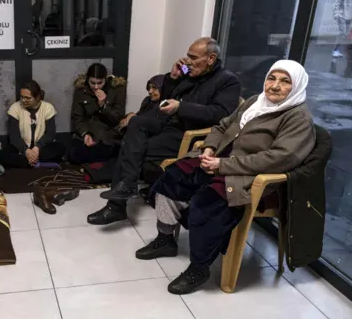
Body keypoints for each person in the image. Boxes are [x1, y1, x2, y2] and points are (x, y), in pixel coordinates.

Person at [136, 60, 316, 295]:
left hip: (245, 174)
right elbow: (222, 126)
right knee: (172, 176)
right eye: (272, 78)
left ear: (297, 86)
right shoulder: (255, 102)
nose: (274, 86)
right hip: (218, 160)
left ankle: (199, 267)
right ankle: (166, 238)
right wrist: (210, 148)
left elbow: (278, 159)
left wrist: (223, 164)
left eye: (285, 82)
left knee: (206, 204)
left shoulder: (297, 118)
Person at [88, 37, 241, 225]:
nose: (188, 62)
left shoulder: (228, 81)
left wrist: (181, 108)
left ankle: (117, 205)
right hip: (168, 123)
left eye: (194, 58)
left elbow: (221, 114)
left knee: (131, 145)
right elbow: (167, 98)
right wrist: (173, 77)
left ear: (211, 58)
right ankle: (126, 189)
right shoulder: (189, 72)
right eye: (188, 57)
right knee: (136, 123)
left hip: (188, 133)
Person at [0, 81, 65, 168]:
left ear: (37, 97)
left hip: (41, 148)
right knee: (3, 155)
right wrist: (26, 151)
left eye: (27, 98)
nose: (23, 100)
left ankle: (28, 162)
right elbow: (14, 136)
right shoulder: (15, 108)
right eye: (21, 97)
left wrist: (37, 148)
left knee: (60, 148)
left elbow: (50, 133)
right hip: (21, 148)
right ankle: (35, 162)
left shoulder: (48, 108)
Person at [69, 63, 126, 164]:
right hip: (88, 132)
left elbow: (118, 118)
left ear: (105, 79)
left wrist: (104, 105)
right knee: (74, 154)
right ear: (87, 79)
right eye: (92, 83)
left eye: (100, 83)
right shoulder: (81, 91)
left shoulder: (116, 89)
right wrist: (85, 134)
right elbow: (77, 117)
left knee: (109, 151)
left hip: (107, 135)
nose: (96, 87)